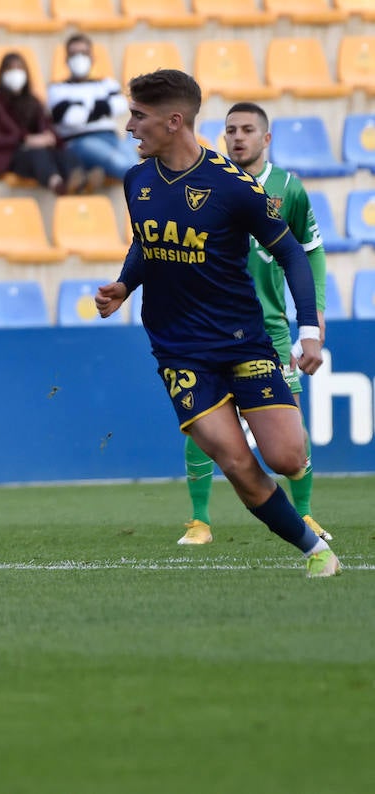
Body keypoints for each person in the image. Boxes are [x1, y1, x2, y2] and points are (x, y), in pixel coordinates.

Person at [94, 69, 340, 578]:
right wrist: (124, 285)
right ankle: (316, 553)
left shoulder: (234, 187)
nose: (129, 127)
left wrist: (310, 328)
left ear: (173, 121)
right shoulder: (136, 179)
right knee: (237, 464)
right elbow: (147, 241)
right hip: (179, 351)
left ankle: (299, 507)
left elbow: (292, 253)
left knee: (288, 456)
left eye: (138, 117)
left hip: (242, 344)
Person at [177, 102, 330, 546]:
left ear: (266, 139)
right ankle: (199, 521)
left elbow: (311, 251)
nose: (238, 137)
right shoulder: (206, 184)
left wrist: (313, 317)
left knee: (290, 432)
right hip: (212, 328)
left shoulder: (288, 189)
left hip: (271, 330)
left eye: (247, 129)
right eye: (230, 130)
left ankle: (304, 517)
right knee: (205, 422)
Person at [0, 51, 86, 195]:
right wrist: (25, 140)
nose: (15, 74)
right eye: (10, 69)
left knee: (64, 153)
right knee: (37, 155)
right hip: (8, 154)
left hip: (37, 149)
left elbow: (45, 126)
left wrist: (49, 138)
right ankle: (57, 185)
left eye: (19, 69)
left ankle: (80, 180)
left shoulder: (33, 102)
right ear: (2, 73)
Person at [47, 33, 139, 183]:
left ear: (92, 57)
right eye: (74, 54)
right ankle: (150, 190)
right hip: (80, 142)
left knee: (135, 149)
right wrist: (102, 105)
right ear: (66, 59)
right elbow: (71, 118)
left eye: (84, 53)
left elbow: (121, 105)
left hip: (112, 138)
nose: (79, 58)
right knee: (123, 164)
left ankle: (96, 173)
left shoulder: (106, 83)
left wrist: (82, 107)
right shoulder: (57, 89)